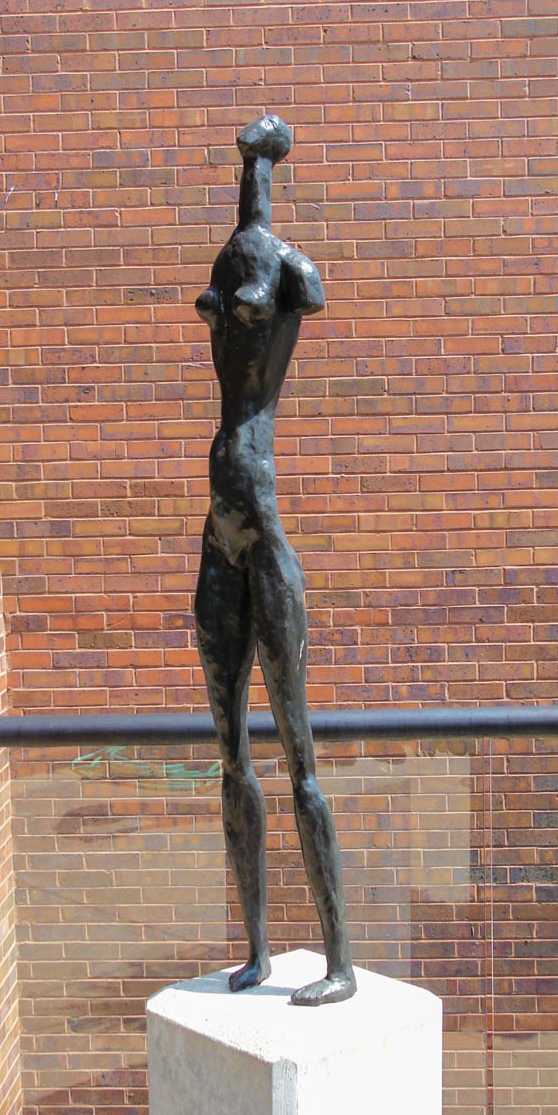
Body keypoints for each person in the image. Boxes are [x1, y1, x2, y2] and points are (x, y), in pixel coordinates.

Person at [193, 115, 356, 1006]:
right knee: (232, 755)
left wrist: (272, 279)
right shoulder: (233, 261)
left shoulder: (289, 270)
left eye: (260, 160)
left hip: (263, 528)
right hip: (219, 530)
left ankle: (339, 965)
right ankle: (255, 952)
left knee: (299, 758)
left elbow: (311, 292)